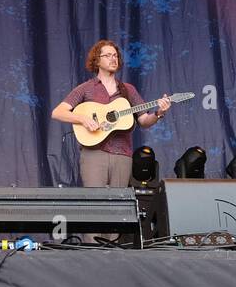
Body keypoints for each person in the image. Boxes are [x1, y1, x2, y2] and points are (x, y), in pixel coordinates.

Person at [51, 39, 171, 187]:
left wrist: (159, 113)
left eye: (115, 55)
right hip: (93, 153)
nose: (113, 58)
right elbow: (57, 112)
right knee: (96, 203)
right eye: (108, 55)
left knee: (119, 203)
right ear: (97, 60)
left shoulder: (128, 89)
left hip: (122, 154)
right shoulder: (86, 88)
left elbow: (144, 120)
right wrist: (82, 119)